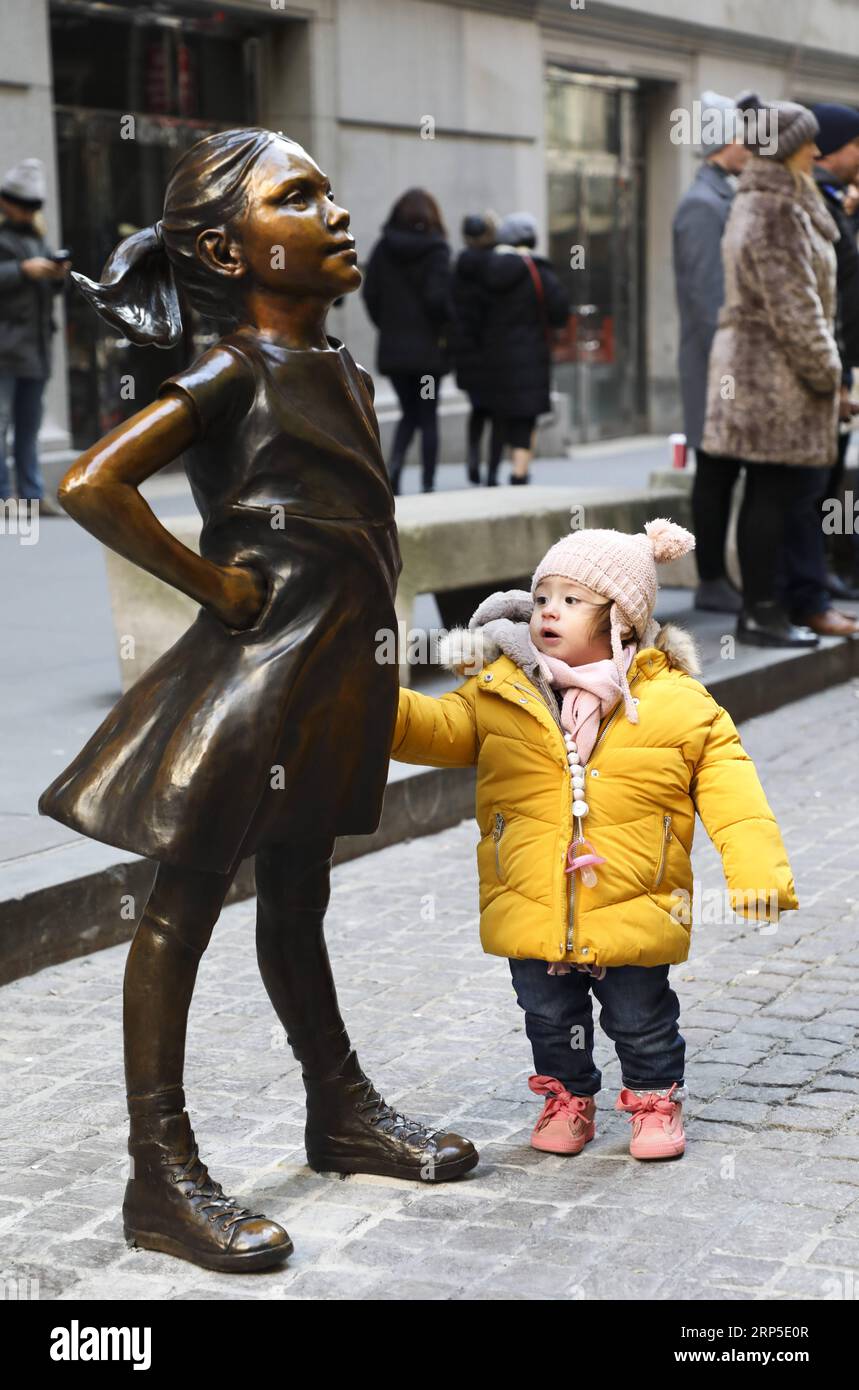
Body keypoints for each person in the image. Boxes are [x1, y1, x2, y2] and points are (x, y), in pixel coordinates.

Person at [37, 129, 477, 1276]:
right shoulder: (230, 369)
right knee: (182, 907)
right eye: (300, 196)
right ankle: (159, 1172)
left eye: (330, 190)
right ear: (228, 249)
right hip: (255, 674)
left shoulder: (348, 372)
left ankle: (337, 1107)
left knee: (299, 892)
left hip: (334, 670)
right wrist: (216, 583)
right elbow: (90, 481)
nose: (335, 212)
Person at [391, 519, 797, 1158]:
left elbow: (733, 792)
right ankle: (568, 1098)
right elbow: (436, 728)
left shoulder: (678, 705)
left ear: (622, 621)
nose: (548, 610)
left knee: (641, 1016)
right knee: (548, 1014)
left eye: (571, 600)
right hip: (533, 893)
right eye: (543, 596)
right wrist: (369, 703)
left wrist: (756, 871)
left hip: (633, 895)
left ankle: (656, 1100)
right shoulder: (502, 692)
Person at [702, 98, 859, 644]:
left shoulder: (782, 200)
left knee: (782, 490)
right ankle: (761, 613)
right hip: (770, 374)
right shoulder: (773, 207)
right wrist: (830, 373)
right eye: (808, 142)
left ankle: (772, 609)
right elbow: (795, 308)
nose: (817, 150)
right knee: (770, 490)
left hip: (778, 371)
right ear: (790, 148)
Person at [672, 90, 753, 614]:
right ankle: (712, 578)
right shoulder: (703, 203)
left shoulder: (722, 194)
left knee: (725, 467)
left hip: (727, 363)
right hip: (715, 365)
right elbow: (707, 302)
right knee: (715, 468)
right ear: (726, 140)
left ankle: (721, 577)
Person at [463, 211, 568, 486]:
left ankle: (491, 472)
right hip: (531, 354)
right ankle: (519, 473)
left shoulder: (483, 268)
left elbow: (470, 311)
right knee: (524, 415)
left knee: (499, 412)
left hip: (491, 354)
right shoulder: (538, 270)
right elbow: (560, 312)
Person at [361, 188, 451, 493]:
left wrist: (387, 325)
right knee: (427, 415)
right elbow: (438, 300)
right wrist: (445, 328)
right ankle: (427, 481)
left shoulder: (382, 249)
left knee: (408, 412)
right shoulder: (438, 251)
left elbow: (370, 294)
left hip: (394, 352)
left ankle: (395, 469)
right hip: (427, 354)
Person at [0, 157, 70, 501]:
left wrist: (57, 277)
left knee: (29, 427)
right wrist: (21, 270)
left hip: (35, 348)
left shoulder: (37, 239)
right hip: (5, 349)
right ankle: (3, 496)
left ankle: (31, 494)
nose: (26, 213)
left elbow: (49, 295)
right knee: (1, 426)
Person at [812, 103, 859, 596]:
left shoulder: (834, 200)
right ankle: (822, 569)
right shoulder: (816, 202)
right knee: (821, 475)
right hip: (834, 356)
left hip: (843, 353)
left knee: (834, 466)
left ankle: (830, 565)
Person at [450, 210, 498, 485]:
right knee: (496, 413)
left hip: (466, 349)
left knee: (477, 408)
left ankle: (472, 457)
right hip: (492, 348)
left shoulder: (457, 266)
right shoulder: (495, 264)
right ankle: (491, 471)